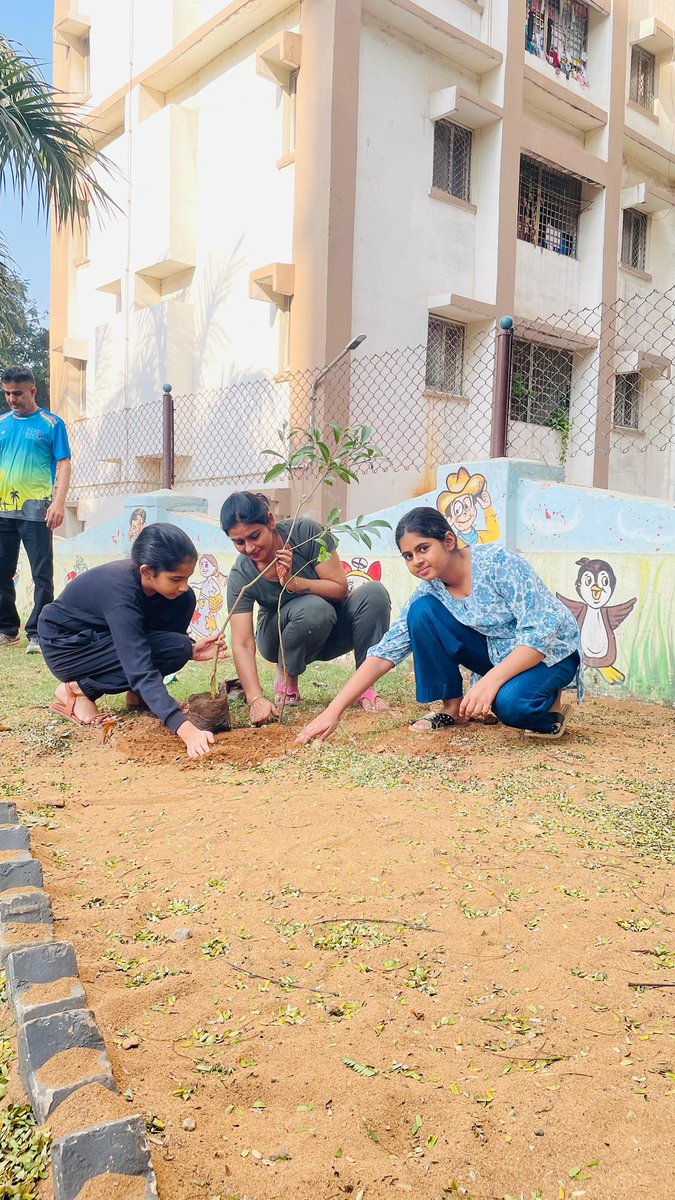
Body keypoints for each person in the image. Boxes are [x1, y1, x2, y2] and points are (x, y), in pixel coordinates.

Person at [296, 506, 582, 745]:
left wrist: (491, 682)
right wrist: (333, 711)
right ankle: (452, 709)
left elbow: (541, 632)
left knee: (512, 707)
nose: (416, 561)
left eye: (423, 548)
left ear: (448, 541)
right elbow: (386, 651)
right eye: (408, 555)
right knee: (421, 613)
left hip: (550, 653)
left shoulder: (498, 563)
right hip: (500, 657)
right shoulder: (430, 590)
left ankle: (549, 706)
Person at [38, 523, 228, 759]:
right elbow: (139, 666)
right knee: (167, 650)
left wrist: (190, 650)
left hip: (102, 637)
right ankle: (77, 691)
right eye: (176, 578)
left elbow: (156, 643)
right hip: (67, 646)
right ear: (147, 571)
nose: (184, 585)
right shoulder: (120, 593)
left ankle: (138, 696)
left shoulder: (177, 594)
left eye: (187, 577)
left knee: (179, 639)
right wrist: (186, 730)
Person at [220, 492, 391, 725]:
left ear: (270, 521)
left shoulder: (306, 534)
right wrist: (255, 698)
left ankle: (364, 685)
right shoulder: (242, 574)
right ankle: (287, 676)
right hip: (277, 638)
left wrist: (293, 584)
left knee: (374, 594)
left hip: (328, 626)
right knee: (315, 608)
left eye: (254, 536)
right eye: (239, 542)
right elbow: (242, 642)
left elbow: (340, 588)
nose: (249, 548)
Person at [0, 366, 72, 653]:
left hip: (37, 510)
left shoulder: (52, 424)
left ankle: (39, 633)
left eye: (17, 393)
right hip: (3, 511)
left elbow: (64, 464)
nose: (12, 399)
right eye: (7, 393)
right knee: (1, 573)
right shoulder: (2, 423)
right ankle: (7, 630)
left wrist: (59, 501)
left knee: (42, 574)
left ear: (32, 391)